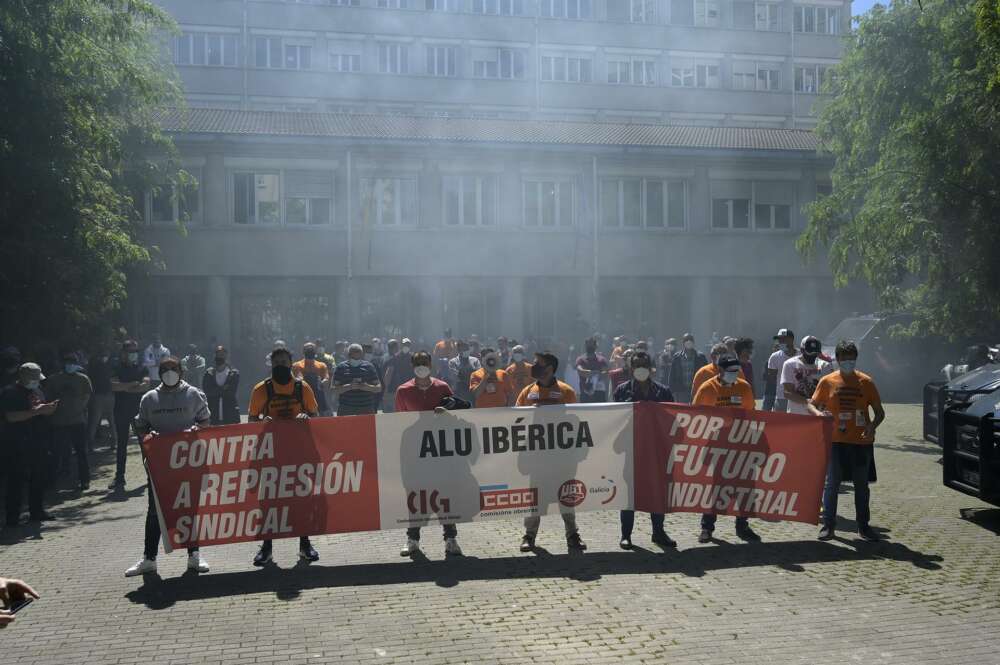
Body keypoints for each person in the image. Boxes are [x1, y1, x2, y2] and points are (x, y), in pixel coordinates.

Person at [124, 357, 210, 576]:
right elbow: (140, 426)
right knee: (155, 512)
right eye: (165, 370)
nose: (169, 372)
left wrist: (196, 430)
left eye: (174, 369)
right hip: (159, 467)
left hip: (189, 463)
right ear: (159, 373)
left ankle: (194, 556)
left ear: (181, 371)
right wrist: (148, 436)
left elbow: (205, 422)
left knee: (189, 509)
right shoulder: (149, 398)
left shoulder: (194, 394)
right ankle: (149, 559)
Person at [246, 347, 320, 566]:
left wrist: (306, 417)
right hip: (270, 453)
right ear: (271, 364)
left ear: (291, 363)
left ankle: (305, 545)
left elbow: (316, 417)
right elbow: (251, 421)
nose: (280, 365)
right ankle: (266, 548)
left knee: (302, 499)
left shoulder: (302, 387)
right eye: (276, 362)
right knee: (268, 501)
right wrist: (263, 422)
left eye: (284, 361)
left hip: (299, 452)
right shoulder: (261, 389)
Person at [809, 340, 885, 542]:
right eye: (845, 358)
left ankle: (863, 526)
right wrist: (818, 414)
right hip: (835, 441)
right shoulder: (827, 381)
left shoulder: (866, 382)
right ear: (838, 358)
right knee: (832, 483)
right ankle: (828, 525)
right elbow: (812, 404)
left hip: (861, 442)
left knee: (861, 486)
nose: (849, 362)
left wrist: (872, 426)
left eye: (852, 358)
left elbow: (879, 412)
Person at [394, 351, 468, 557]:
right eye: (417, 363)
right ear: (412, 366)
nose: (421, 366)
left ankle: (451, 539)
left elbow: (455, 414)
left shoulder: (442, 387)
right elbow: (400, 422)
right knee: (416, 496)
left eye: (424, 363)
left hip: (440, 452)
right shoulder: (403, 391)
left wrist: (448, 411)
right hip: (415, 452)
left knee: (445, 495)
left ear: (431, 364)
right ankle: (413, 540)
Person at [515, 351, 586, 552]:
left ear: (550, 368)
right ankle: (529, 536)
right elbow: (516, 422)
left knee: (567, 496)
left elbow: (577, 422)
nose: (534, 366)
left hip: (562, 457)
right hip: (537, 457)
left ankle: (573, 535)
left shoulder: (566, 391)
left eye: (539, 363)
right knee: (535, 498)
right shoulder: (527, 392)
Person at [614, 351, 677, 549]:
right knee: (629, 494)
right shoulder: (622, 390)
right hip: (631, 450)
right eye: (636, 365)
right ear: (631, 368)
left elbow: (673, 418)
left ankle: (658, 533)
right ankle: (626, 535)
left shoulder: (663, 391)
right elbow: (612, 419)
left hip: (657, 450)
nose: (640, 368)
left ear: (650, 368)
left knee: (657, 491)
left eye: (644, 364)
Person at [693, 353, 758, 543]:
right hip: (717, 446)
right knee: (717, 487)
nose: (733, 374)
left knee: (745, 486)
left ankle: (742, 525)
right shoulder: (707, 388)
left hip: (741, 443)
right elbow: (696, 415)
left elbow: (751, 413)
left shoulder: (744, 387)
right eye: (729, 371)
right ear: (720, 370)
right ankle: (707, 527)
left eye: (736, 371)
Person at [2, 363, 58, 527]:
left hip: (38, 440)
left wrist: (49, 409)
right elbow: (11, 416)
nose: (36, 382)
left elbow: (40, 409)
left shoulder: (37, 390)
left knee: (38, 477)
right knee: (16, 480)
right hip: (17, 442)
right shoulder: (10, 392)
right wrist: (37, 411)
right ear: (23, 377)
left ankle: (37, 511)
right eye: (33, 378)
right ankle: (12, 518)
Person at [44, 351, 93, 490]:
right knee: (56, 453)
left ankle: (84, 480)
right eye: (67, 363)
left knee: (81, 452)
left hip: (78, 421)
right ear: (63, 364)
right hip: (59, 422)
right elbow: (48, 398)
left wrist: (79, 409)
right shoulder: (54, 379)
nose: (70, 365)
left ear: (77, 364)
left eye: (72, 363)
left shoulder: (83, 378)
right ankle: (52, 481)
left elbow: (87, 395)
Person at [109, 340, 150, 493]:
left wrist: (125, 387)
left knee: (144, 445)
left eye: (135, 351)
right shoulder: (116, 367)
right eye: (130, 351)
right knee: (121, 445)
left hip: (139, 412)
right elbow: (114, 386)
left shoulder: (142, 367)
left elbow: (145, 386)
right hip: (120, 411)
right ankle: (120, 477)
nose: (133, 354)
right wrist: (133, 385)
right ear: (123, 353)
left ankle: (150, 475)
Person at [781, 335, 832, 416]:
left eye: (815, 353)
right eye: (809, 352)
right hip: (797, 415)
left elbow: (829, 391)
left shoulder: (825, 366)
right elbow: (787, 392)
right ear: (802, 350)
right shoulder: (790, 364)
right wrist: (807, 401)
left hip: (818, 415)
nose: (812, 355)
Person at [333, 343, 382, 417]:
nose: (356, 360)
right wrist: (350, 386)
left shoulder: (369, 367)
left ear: (362, 355)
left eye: (358, 357)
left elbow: (378, 388)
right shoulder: (340, 368)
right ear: (348, 355)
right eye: (353, 358)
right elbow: (334, 389)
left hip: (366, 408)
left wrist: (366, 387)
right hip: (346, 408)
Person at [86, 347, 116, 451]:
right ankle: (113, 443)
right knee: (111, 421)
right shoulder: (109, 366)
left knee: (94, 421)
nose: (105, 357)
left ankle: (90, 445)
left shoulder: (93, 366)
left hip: (99, 396)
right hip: (107, 395)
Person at [202, 346, 240, 425]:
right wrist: (223, 389)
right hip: (212, 414)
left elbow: (231, 392)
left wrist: (215, 390)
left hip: (230, 414)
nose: (220, 357)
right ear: (215, 356)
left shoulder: (234, 373)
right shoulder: (209, 373)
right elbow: (207, 392)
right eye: (218, 354)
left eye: (222, 354)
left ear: (226, 356)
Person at [293, 342, 331, 416]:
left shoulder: (321, 365)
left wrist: (323, 382)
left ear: (315, 351)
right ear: (303, 352)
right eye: (307, 349)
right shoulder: (297, 365)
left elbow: (326, 378)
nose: (310, 351)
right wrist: (300, 380)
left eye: (312, 349)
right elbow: (298, 376)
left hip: (318, 396)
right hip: (303, 395)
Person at [669, 333, 708, 403]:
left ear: (693, 342)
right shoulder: (677, 357)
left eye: (690, 340)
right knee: (683, 411)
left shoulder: (701, 357)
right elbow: (672, 375)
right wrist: (673, 391)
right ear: (683, 343)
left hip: (696, 390)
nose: (688, 342)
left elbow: (706, 373)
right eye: (686, 340)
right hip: (681, 391)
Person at [764, 329, 795, 412]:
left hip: (799, 397)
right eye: (779, 339)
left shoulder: (801, 355)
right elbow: (772, 377)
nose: (780, 342)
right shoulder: (774, 357)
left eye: (783, 339)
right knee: (780, 423)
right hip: (782, 397)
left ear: (791, 339)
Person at [575, 337, 610, 404]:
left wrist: (596, 375)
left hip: (599, 392)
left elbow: (606, 373)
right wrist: (593, 373)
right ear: (585, 346)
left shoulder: (601, 359)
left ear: (595, 346)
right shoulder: (581, 359)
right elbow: (580, 370)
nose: (590, 346)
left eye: (591, 344)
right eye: (588, 344)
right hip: (585, 392)